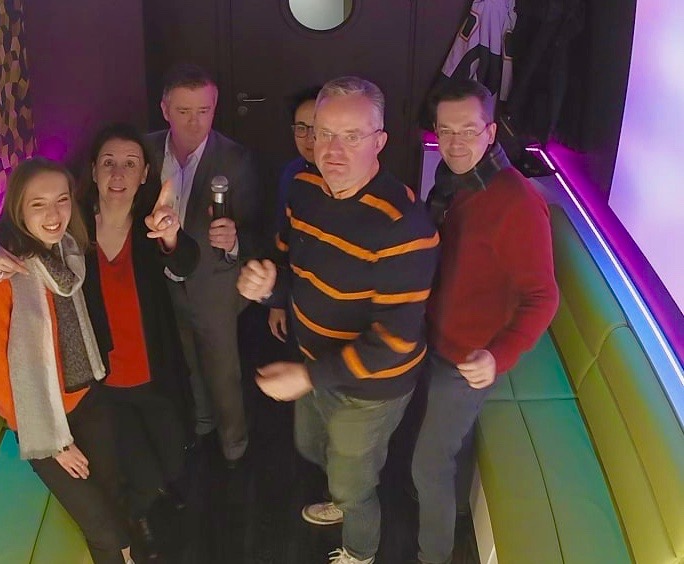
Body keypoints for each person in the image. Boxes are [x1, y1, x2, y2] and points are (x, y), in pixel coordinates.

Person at [237, 76, 440, 564]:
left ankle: (359, 548)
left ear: (379, 142)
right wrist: (267, 287)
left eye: (352, 136)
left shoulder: (404, 225)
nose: (333, 150)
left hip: (370, 387)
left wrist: (307, 376)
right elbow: (292, 270)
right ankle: (343, 492)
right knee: (313, 447)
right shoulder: (304, 187)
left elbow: (392, 343)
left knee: (354, 481)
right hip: (314, 364)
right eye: (324, 133)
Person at [0, 125, 199, 559]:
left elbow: (185, 261)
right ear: (92, 171)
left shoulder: (91, 242)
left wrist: (170, 234)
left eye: (130, 164)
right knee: (114, 506)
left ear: (145, 173)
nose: (118, 173)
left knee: (159, 470)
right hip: (96, 389)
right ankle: (132, 542)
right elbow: (12, 238)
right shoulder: (59, 242)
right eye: (108, 162)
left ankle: (138, 536)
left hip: (131, 380)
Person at [411, 78, 559, 564]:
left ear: (491, 132)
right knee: (444, 453)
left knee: (427, 464)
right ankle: (450, 510)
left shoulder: (517, 202)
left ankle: (433, 555)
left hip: (468, 357)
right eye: (445, 131)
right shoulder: (452, 182)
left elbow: (543, 297)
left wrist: (497, 357)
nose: (455, 143)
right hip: (435, 336)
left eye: (468, 130)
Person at [0, 157, 135, 564]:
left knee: (116, 496)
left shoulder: (67, 252)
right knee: (101, 525)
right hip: (40, 423)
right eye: (38, 204)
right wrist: (57, 444)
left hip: (86, 397)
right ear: (18, 209)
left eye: (61, 200)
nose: (54, 214)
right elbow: (1, 390)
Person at [147, 63, 261, 466]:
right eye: (183, 112)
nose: (194, 123)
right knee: (185, 359)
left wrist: (235, 240)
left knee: (222, 368)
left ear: (215, 108)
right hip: (161, 279)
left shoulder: (236, 159)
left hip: (213, 282)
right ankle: (201, 424)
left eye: (204, 111)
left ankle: (235, 446)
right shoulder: (143, 151)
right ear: (165, 109)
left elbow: (255, 227)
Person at [267, 85, 321, 349]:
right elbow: (282, 235)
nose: (309, 138)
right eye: (301, 128)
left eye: (316, 128)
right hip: (297, 292)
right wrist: (277, 302)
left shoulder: (349, 177)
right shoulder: (292, 173)